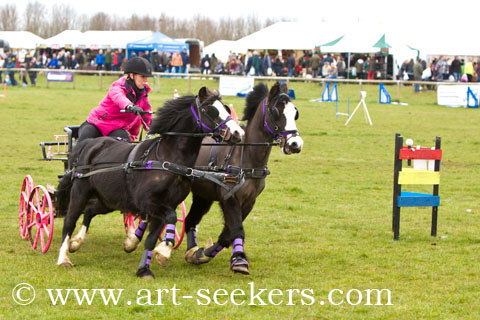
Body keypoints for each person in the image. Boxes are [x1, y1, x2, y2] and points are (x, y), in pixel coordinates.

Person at [77, 56, 153, 142]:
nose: (146, 80)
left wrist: (156, 126)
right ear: (131, 75)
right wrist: (130, 106)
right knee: (85, 140)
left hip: (118, 128)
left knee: (124, 146)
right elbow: (119, 97)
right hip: (97, 124)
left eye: (147, 77)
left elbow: (147, 114)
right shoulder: (117, 86)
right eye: (143, 76)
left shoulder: (143, 95)